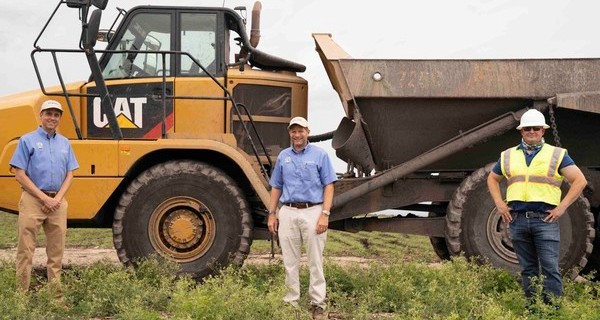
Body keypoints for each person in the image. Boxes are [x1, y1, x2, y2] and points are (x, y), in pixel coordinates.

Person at [487, 108, 586, 305]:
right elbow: (492, 178)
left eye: (536, 128)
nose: (532, 131)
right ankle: (534, 310)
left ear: (543, 131)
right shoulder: (508, 156)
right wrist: (499, 203)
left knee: (550, 268)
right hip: (517, 221)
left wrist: (562, 207)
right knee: (528, 269)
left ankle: (553, 312)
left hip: (545, 221)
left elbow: (580, 180)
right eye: (527, 128)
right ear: (521, 131)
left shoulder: (556, 155)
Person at [267, 116, 337, 319]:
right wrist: (272, 214)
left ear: (308, 132)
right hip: (287, 211)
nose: (297, 135)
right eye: (293, 131)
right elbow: (276, 186)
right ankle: (291, 302)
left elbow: (329, 186)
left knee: (315, 260)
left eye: (301, 131)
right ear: (290, 133)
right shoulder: (283, 156)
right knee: (290, 261)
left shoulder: (320, 155)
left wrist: (325, 214)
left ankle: (318, 304)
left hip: (313, 211)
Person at [9, 99, 79, 292]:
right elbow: (19, 174)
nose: (52, 118)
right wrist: (43, 198)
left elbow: (70, 173)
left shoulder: (65, 143)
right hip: (33, 201)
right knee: (26, 251)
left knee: (56, 253)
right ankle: (21, 296)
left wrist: (56, 199)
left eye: (56, 115)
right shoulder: (27, 140)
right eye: (48, 113)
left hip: (57, 202)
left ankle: (56, 297)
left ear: (59, 118)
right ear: (41, 116)